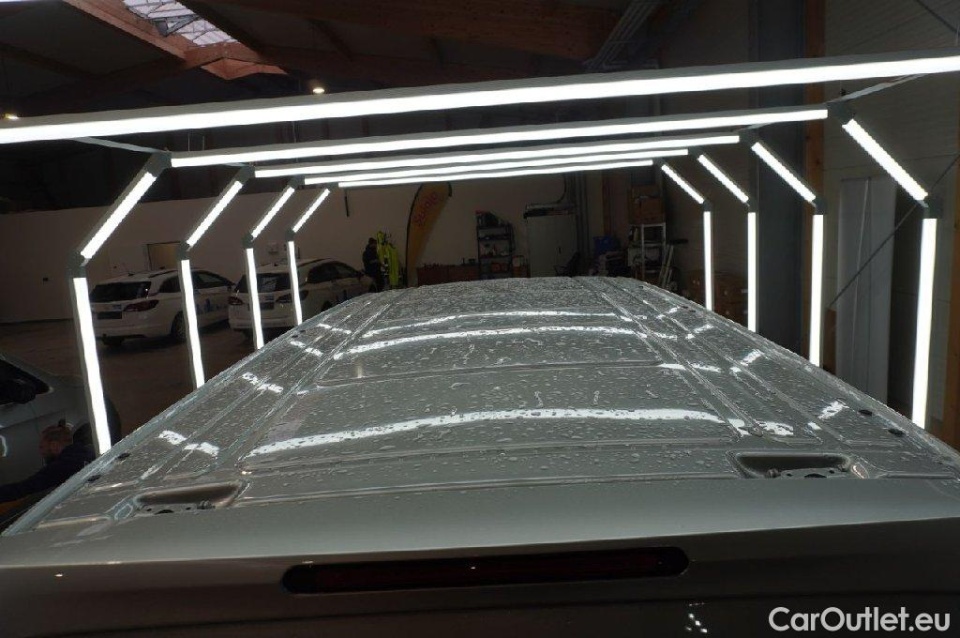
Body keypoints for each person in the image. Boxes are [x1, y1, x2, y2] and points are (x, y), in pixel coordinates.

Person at [0, 423, 95, 504]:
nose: (40, 452)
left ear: (54, 445)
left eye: (42, 447)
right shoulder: (88, 451)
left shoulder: (60, 467)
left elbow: (25, 487)